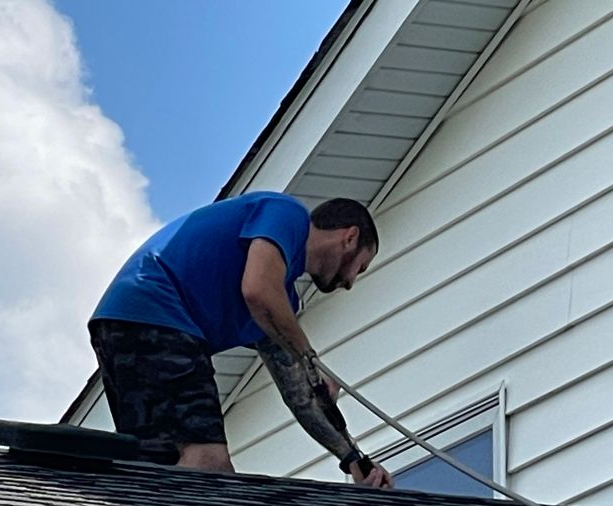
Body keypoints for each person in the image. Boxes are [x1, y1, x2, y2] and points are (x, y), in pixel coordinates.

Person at [88, 190, 393, 488]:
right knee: (209, 463)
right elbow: (258, 290)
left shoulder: (279, 303)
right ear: (349, 238)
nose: (350, 283)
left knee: (157, 465)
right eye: (360, 267)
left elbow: (298, 395)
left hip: (119, 322)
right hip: (158, 313)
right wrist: (308, 357)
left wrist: (354, 459)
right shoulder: (287, 213)